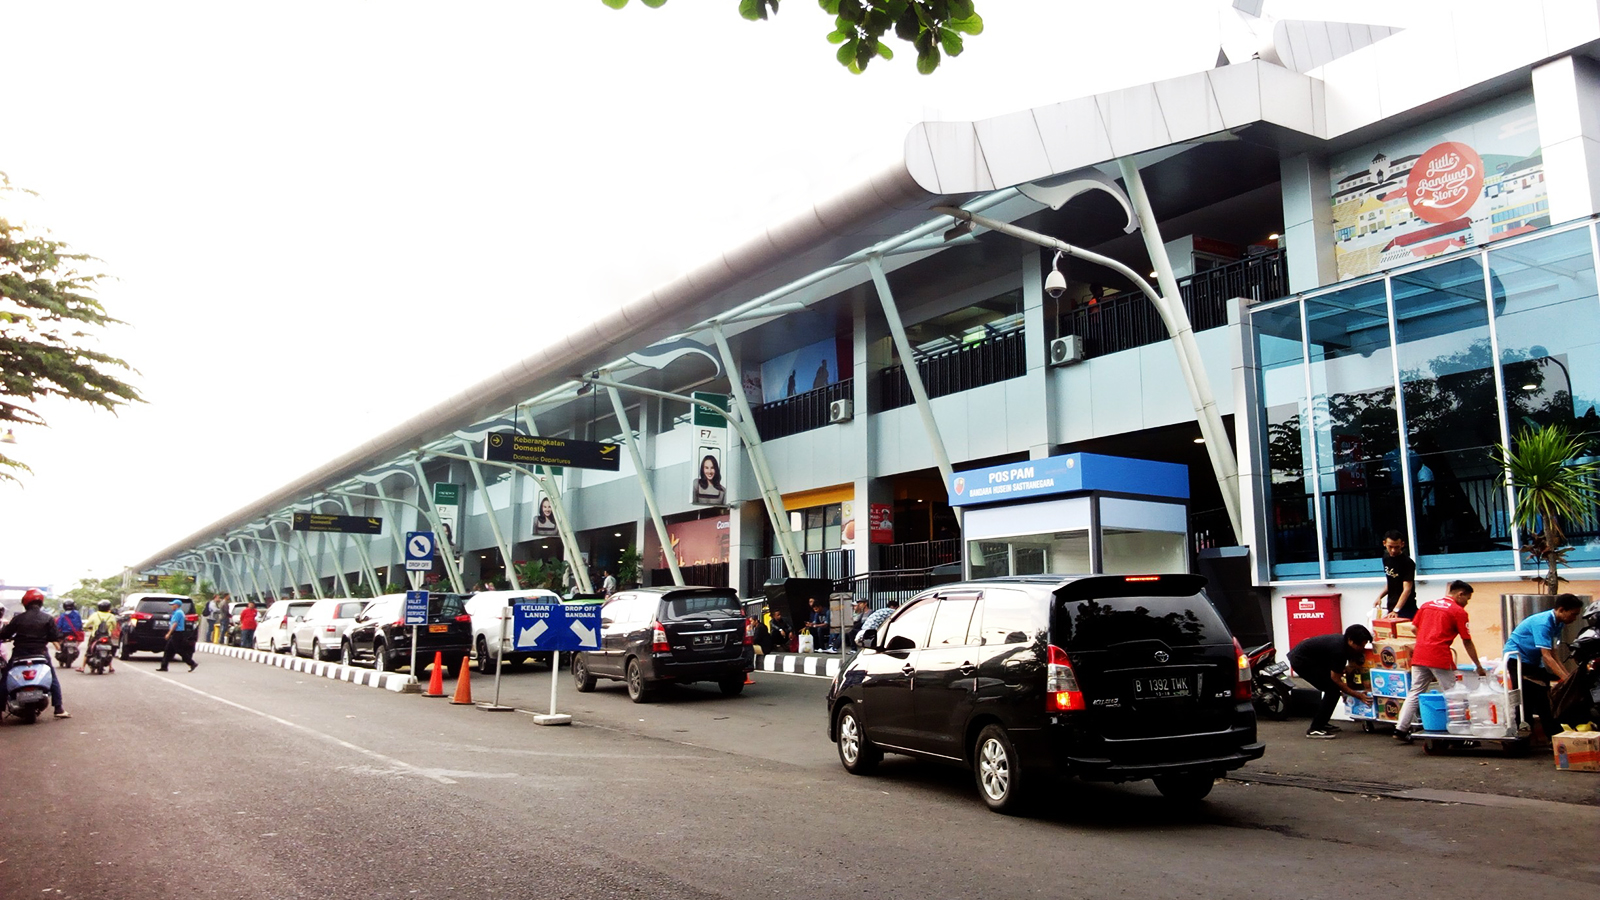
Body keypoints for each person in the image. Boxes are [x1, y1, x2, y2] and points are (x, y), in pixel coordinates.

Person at [1395, 580, 1486, 740]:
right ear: (1460, 594)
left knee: (1415, 692)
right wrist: (1478, 665)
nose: (1466, 603)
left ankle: (1401, 729)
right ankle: (1461, 730)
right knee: (1453, 693)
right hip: (1439, 655)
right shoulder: (1458, 612)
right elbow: (1467, 640)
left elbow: (1414, 628)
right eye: (1467, 599)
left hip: (1420, 653)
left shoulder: (1427, 605)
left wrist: (1426, 640)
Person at [1504, 593, 1584, 739]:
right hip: (1517, 659)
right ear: (1561, 610)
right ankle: (1523, 737)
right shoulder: (1543, 623)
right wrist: (1566, 679)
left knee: (1545, 699)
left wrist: (1567, 678)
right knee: (1525, 700)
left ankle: (1553, 737)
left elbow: (1554, 654)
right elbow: (1547, 656)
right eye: (1573, 614)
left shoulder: (1558, 623)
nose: (1574, 619)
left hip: (1533, 660)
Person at [1288, 625, 1374, 739]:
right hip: (1301, 661)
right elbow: (1336, 678)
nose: (1362, 648)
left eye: (1364, 644)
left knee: (1332, 689)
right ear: (1350, 641)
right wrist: (1357, 695)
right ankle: (1315, 729)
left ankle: (1323, 722)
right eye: (1360, 645)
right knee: (1332, 691)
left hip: (1316, 659)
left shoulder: (1346, 646)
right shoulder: (1339, 650)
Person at [0, 589, 69, 718]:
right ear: (40, 602)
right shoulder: (48, 618)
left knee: (5, 678)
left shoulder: (18, 618)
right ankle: (59, 708)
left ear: (25, 603)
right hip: (40, 653)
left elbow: (4, 634)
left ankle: (0, 709)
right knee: (52, 678)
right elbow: (55, 636)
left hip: (20, 653)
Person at [1374, 531, 1416, 619]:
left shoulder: (1407, 563)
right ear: (1384, 543)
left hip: (1406, 608)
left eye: (1396, 547)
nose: (1393, 550)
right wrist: (1380, 597)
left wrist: (1396, 610)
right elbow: (1391, 581)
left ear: (1402, 544)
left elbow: (1407, 589)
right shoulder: (1386, 558)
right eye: (1390, 547)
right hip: (1391, 605)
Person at [157, 598, 198, 672]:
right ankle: (164, 666)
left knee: (179, 650)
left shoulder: (178, 613)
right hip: (176, 633)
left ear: (177, 605)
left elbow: (175, 624)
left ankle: (192, 663)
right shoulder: (178, 612)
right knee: (168, 650)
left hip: (177, 634)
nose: (171, 606)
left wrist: (169, 633)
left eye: (173, 605)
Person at [79, 599, 119, 673]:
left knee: (88, 651)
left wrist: (87, 628)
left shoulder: (95, 615)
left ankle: (82, 667)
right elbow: (114, 626)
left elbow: (86, 625)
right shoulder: (111, 616)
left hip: (95, 637)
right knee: (109, 651)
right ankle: (110, 667)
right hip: (107, 637)